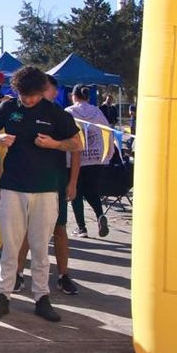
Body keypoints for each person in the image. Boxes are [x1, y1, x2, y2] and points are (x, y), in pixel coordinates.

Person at [0, 67, 81, 322]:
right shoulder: (8, 108)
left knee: (39, 245)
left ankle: (41, 297)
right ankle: (3, 295)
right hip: (12, 186)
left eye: (34, 95)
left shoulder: (54, 112)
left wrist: (55, 144)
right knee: (11, 245)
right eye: (24, 95)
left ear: (43, 91)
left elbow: (77, 143)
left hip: (46, 188)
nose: (28, 100)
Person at [67, 84, 112, 239]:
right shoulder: (97, 111)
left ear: (73, 96)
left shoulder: (69, 112)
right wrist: (107, 155)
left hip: (75, 160)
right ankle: (100, 215)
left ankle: (82, 228)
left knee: (75, 193)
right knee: (92, 190)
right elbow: (108, 132)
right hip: (96, 158)